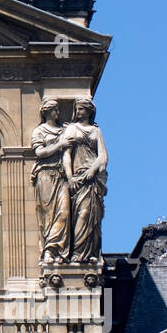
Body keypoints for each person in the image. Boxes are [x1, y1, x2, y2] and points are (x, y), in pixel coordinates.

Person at [62, 98, 108, 265]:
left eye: (81, 109)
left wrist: (92, 170)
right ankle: (77, 253)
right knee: (79, 215)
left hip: (91, 179)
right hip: (77, 179)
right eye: (77, 109)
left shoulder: (96, 132)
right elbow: (66, 155)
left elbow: (102, 155)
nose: (78, 112)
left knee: (89, 215)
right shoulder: (71, 129)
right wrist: (69, 177)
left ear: (89, 111)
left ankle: (85, 253)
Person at [30, 98, 71, 264]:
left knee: (64, 212)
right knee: (48, 216)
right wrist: (59, 144)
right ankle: (49, 251)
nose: (58, 113)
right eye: (55, 110)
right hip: (45, 175)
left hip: (61, 175)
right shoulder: (39, 131)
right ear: (48, 112)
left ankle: (57, 249)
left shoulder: (64, 130)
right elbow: (39, 152)